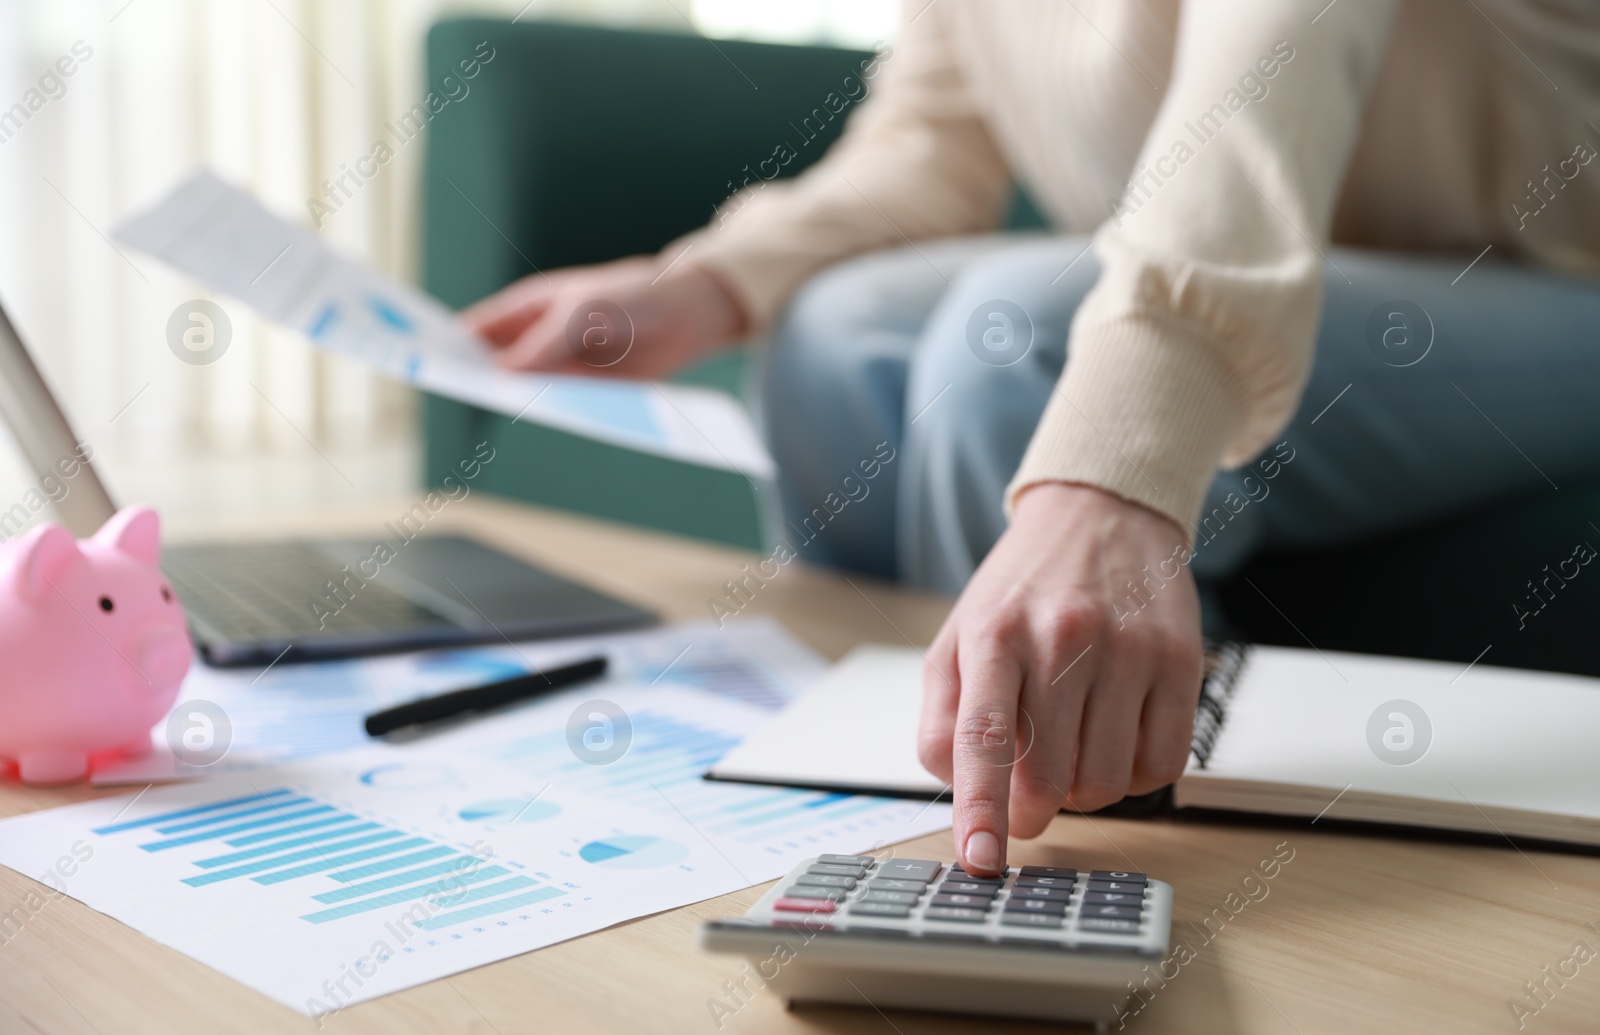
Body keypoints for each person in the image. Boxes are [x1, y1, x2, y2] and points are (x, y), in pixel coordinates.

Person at [463, 0, 1600, 875]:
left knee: (1017, 343)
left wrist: (1110, 478)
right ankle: (900, 785)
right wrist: (696, 284)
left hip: (1544, 281)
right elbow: (929, 144)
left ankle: (1102, 849)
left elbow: (1260, 94)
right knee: (833, 329)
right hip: (1289, 281)